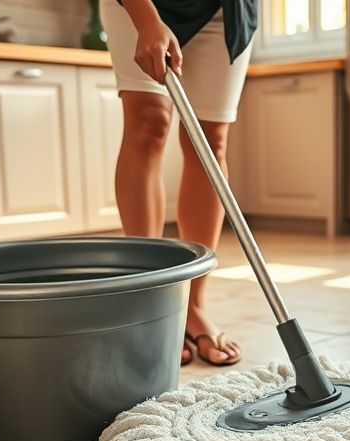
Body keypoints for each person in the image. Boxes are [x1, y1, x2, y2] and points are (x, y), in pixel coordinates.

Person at [100, 0, 257, 366]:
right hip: (144, 5)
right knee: (148, 123)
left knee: (210, 142)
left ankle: (193, 306)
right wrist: (147, 20)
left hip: (224, 10)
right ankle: (148, 302)